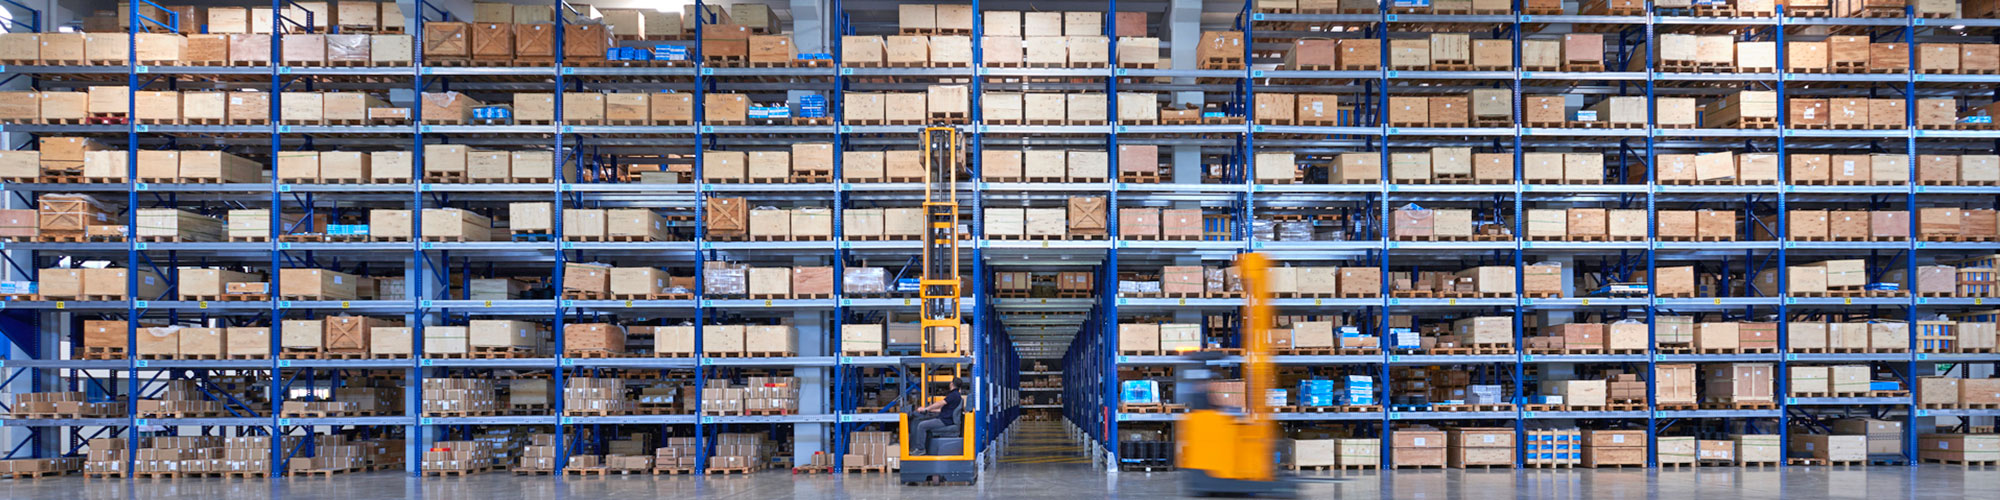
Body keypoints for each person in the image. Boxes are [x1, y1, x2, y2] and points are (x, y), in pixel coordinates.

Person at [909, 377, 966, 455]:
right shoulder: (957, 396)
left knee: (921, 425)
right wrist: (929, 410)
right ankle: (924, 448)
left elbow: (940, 403)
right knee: (924, 423)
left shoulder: (953, 395)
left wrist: (926, 408)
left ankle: (920, 449)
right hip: (947, 419)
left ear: (951, 384)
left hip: (945, 421)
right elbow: (944, 410)